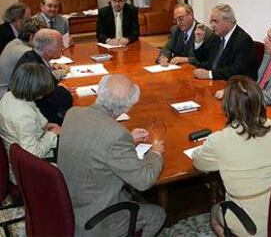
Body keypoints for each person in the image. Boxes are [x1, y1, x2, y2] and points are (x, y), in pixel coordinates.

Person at [58, 74, 165, 236]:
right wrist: (156, 153)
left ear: (99, 92)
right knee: (157, 214)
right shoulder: (116, 135)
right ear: (127, 108)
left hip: (65, 203)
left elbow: (96, 139)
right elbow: (144, 181)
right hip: (93, 221)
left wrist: (128, 138)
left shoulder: (73, 113)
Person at [192, 75, 271, 236]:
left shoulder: (219, 140)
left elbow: (198, 163)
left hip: (249, 222)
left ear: (227, 107)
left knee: (215, 212)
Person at [215, 21, 271, 115]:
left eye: (270, 39)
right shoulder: (270, 52)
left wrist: (234, 95)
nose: (265, 40)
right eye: (267, 36)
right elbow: (259, 83)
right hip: (260, 103)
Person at [0, 63, 60, 184]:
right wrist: (52, 134)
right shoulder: (24, 116)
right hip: (26, 171)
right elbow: (33, 155)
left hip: (17, 154)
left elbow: (35, 117)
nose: (44, 94)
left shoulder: (9, 96)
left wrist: (45, 125)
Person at [14, 28, 73, 125]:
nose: (63, 47)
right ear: (47, 50)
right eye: (59, 45)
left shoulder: (31, 55)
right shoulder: (35, 67)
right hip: (35, 118)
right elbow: (51, 97)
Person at [192, 4, 257, 81]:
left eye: (215, 21)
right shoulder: (216, 36)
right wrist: (198, 41)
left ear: (228, 21)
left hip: (233, 85)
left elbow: (238, 71)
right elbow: (203, 59)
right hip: (214, 81)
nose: (212, 25)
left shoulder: (243, 40)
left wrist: (210, 74)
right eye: (211, 22)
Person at [0, 17, 46, 98]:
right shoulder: (25, 52)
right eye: (41, 38)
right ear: (31, 37)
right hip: (9, 95)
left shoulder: (15, 42)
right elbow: (43, 77)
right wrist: (63, 71)